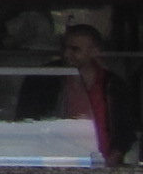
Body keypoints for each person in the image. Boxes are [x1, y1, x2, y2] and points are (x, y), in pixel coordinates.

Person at [57, 25, 135, 164]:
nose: (66, 54)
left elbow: (126, 129)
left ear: (95, 51)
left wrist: (112, 161)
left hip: (104, 165)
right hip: (56, 162)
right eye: (64, 48)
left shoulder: (115, 84)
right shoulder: (46, 81)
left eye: (75, 49)